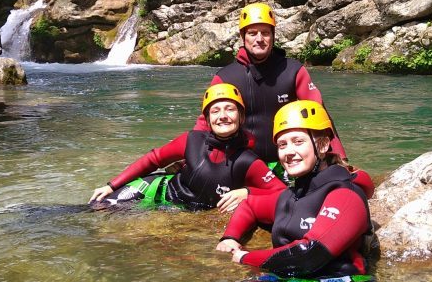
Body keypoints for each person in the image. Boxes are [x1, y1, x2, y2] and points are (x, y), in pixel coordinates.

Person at [196, 2, 373, 198]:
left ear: (273, 36)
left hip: (287, 160)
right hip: (242, 162)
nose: (259, 39)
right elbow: (206, 122)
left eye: (265, 33)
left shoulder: (292, 70)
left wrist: (339, 157)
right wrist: (192, 158)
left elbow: (319, 114)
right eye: (252, 33)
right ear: (242, 37)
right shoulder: (226, 76)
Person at [216, 100, 374, 280]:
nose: (288, 152)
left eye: (298, 142)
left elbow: (311, 254)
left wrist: (247, 257)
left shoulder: (346, 195)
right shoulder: (292, 195)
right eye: (282, 145)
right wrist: (230, 237)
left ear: (322, 145)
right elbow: (250, 205)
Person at [88, 83, 285, 211]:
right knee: (94, 209)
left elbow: (282, 193)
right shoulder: (192, 140)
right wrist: (111, 185)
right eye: (215, 111)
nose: (222, 116)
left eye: (230, 109)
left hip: (181, 209)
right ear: (207, 119)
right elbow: (152, 160)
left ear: (241, 117)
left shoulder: (248, 160)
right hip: (156, 191)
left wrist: (248, 193)